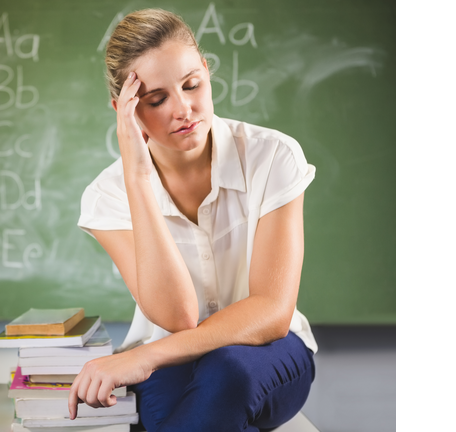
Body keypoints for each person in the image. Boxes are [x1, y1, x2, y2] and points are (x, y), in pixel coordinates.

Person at [70, 9, 317, 431]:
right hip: (171, 362)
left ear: (206, 70)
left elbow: (272, 311)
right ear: (124, 110)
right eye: (157, 99)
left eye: (191, 85)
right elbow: (178, 315)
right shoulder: (107, 195)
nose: (184, 108)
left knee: (227, 372)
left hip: (268, 352)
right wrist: (138, 176)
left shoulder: (273, 156)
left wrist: (144, 357)